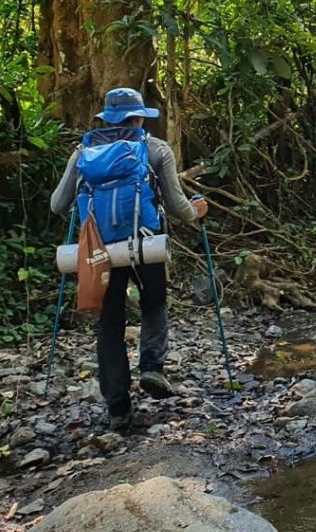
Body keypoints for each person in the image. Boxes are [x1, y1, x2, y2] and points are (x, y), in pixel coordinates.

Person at [50, 87, 207, 431]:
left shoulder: (83, 153)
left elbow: (57, 204)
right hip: (145, 242)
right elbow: (178, 207)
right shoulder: (155, 149)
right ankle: (151, 367)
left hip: (100, 251)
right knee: (154, 302)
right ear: (138, 118)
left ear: (106, 119)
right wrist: (196, 211)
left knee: (110, 323)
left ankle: (118, 408)